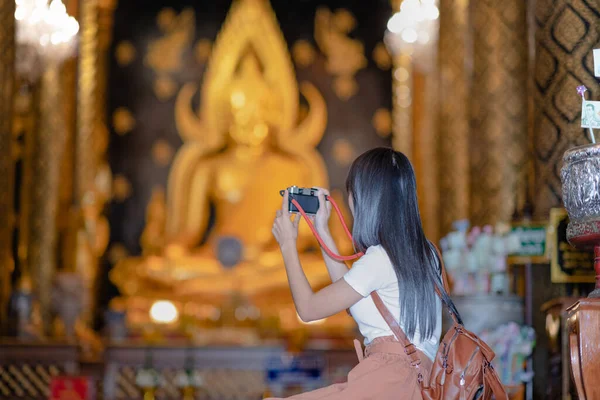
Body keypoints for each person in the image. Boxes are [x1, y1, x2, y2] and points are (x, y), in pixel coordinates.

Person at [270, 147, 456, 399]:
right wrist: (322, 231)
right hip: (415, 383)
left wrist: (287, 246)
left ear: (362, 198)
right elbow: (349, 293)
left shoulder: (379, 258)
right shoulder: (428, 253)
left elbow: (308, 309)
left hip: (388, 381)